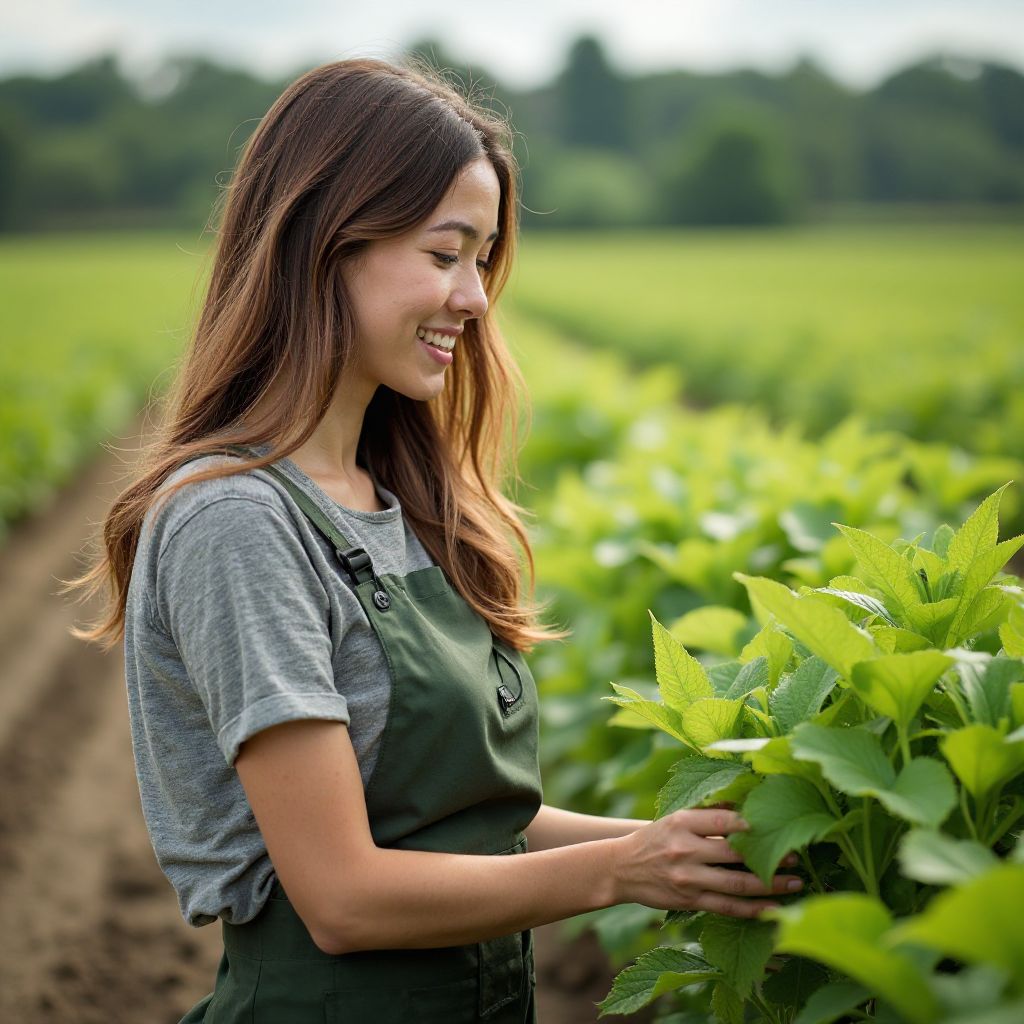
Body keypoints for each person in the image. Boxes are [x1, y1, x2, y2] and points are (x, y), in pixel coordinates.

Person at [68, 57, 802, 1022]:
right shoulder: (235, 523)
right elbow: (343, 898)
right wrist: (623, 872)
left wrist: (685, 846)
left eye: (484, 259)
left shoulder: (399, 500)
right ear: (326, 244)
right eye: (446, 252)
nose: (477, 298)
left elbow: (477, 820)